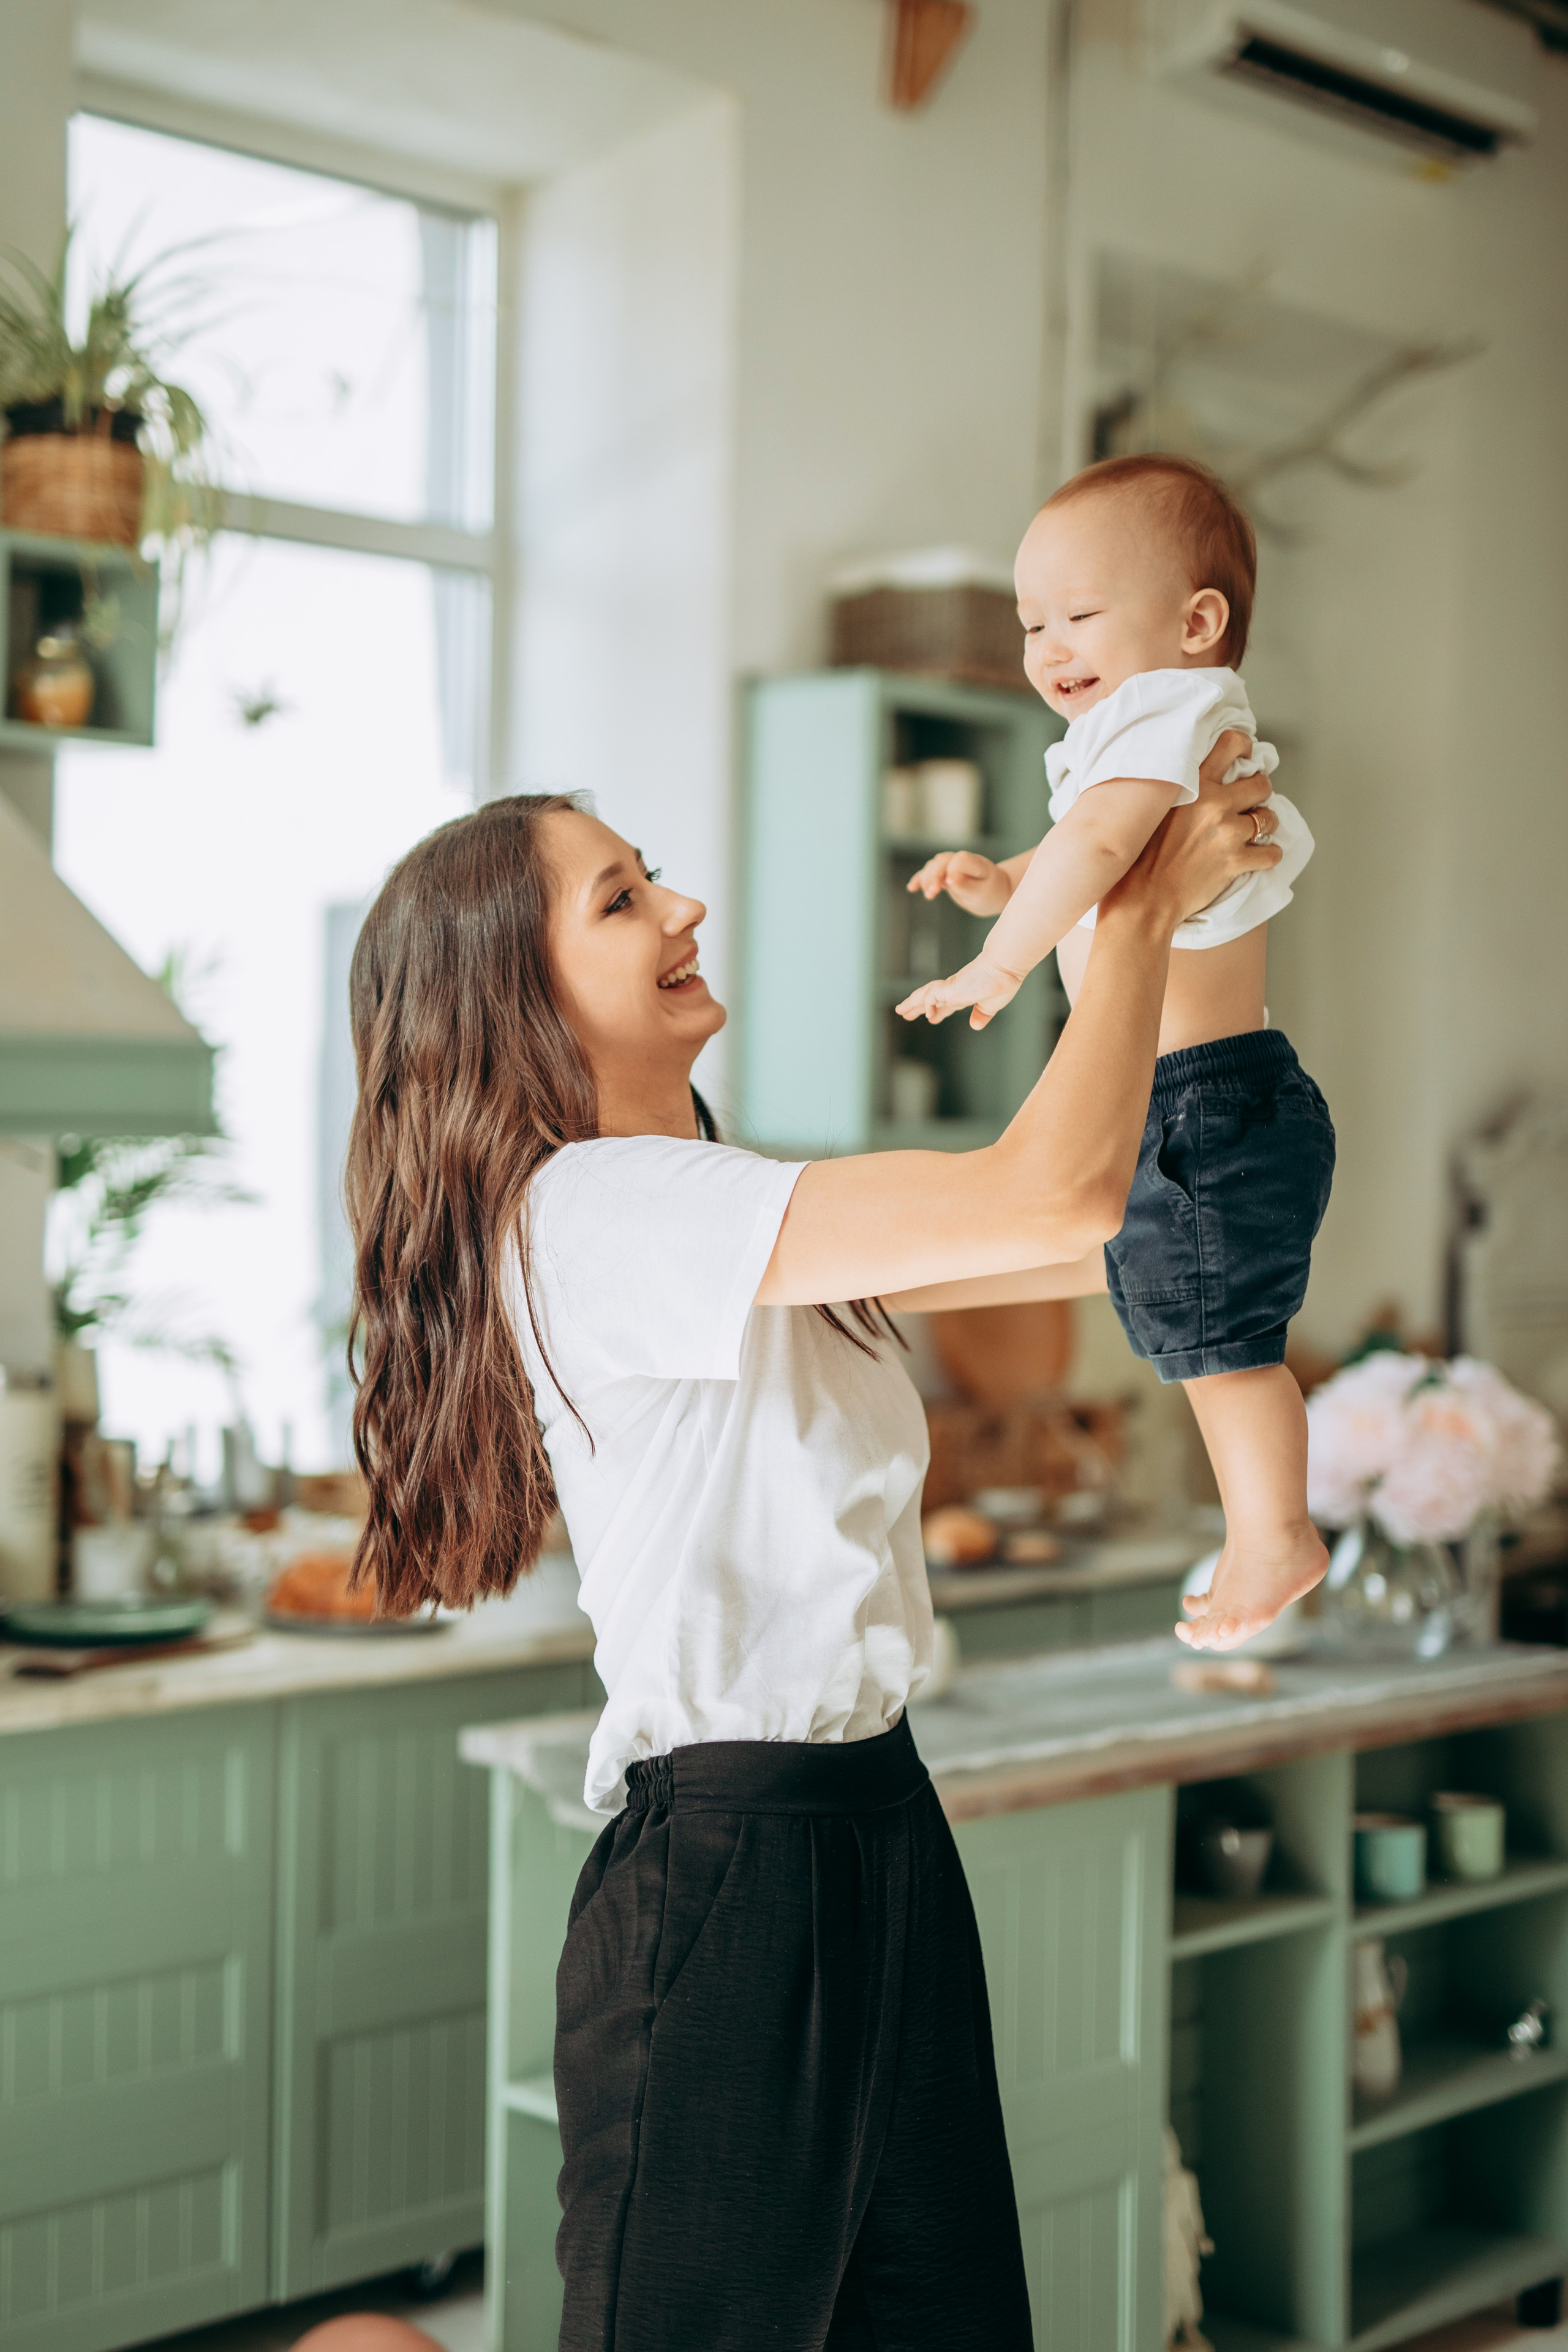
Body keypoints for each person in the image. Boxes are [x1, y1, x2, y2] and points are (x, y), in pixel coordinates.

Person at [343, 756, 1278, 2352]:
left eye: (658, 875)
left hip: (872, 1828)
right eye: (624, 897)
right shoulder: (585, 1211)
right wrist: (1131, 905)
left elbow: (1093, 1231)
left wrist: (1170, 937)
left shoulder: (722, 1204)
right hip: (728, 1876)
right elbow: (1053, 1197)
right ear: (510, 992)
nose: (684, 904)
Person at [899, 453, 1335, 1652]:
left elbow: (1098, 852)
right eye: (1031, 621)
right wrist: (1006, 880)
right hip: (1209, 1099)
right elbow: (1086, 847)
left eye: (1080, 614)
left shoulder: (1167, 707)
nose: (1047, 645)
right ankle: (1265, 1529)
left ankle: (1270, 1535)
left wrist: (997, 961)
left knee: (1217, 1348)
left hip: (1198, 1105)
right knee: (1195, 1330)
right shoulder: (1140, 732)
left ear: (1196, 623)